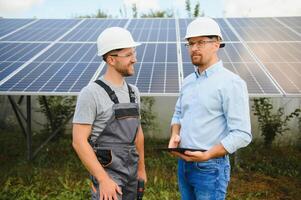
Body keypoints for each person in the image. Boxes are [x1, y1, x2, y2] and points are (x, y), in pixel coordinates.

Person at [168, 17, 252, 200]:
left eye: (200, 42)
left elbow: (242, 134)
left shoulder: (231, 83)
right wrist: (175, 135)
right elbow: (178, 115)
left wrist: (207, 155)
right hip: (184, 164)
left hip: (211, 168)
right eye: (190, 43)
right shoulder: (188, 82)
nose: (194, 48)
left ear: (216, 44)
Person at [72, 27, 147, 200]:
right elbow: (79, 141)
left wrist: (141, 169)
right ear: (111, 60)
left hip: (132, 173)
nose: (134, 59)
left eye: (133, 53)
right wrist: (103, 179)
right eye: (128, 55)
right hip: (108, 174)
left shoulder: (133, 92)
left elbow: (138, 135)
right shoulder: (90, 93)